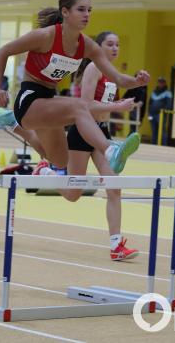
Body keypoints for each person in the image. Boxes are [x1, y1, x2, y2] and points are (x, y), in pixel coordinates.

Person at [0, 0, 149, 196]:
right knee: (80, 106)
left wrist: (136, 81)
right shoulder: (45, 36)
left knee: (60, 160)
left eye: (89, 10)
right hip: (29, 100)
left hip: (48, 102)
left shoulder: (87, 46)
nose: (87, 15)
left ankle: (17, 128)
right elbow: (3, 51)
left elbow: (118, 78)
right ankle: (111, 150)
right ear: (65, 12)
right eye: (81, 10)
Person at [65, 31, 140, 261]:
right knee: (73, 194)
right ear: (98, 47)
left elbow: (104, 105)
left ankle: (116, 246)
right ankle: (46, 172)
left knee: (114, 187)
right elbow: (86, 105)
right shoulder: (93, 68)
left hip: (102, 133)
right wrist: (118, 106)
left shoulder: (111, 73)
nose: (115, 48)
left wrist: (120, 103)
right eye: (110, 44)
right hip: (83, 132)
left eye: (118, 44)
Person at [148, 77, 173, 145]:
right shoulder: (154, 92)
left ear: (165, 83)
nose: (160, 83)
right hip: (152, 114)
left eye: (162, 82)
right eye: (159, 82)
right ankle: (153, 145)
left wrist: (164, 111)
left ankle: (163, 145)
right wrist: (149, 114)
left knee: (162, 130)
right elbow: (149, 103)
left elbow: (169, 104)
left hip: (161, 115)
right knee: (153, 130)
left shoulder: (168, 93)